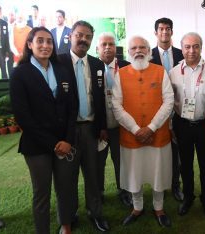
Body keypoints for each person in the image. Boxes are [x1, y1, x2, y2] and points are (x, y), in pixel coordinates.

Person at [9, 27, 78, 234]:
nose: (45, 45)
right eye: (40, 41)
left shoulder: (62, 70)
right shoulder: (20, 73)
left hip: (65, 142)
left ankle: (65, 227)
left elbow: (72, 106)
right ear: (30, 44)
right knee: (42, 194)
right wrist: (53, 144)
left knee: (65, 188)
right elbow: (23, 117)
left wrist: (67, 140)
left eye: (49, 41)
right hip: (37, 145)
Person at [112, 35, 174, 227]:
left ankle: (159, 207)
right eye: (133, 48)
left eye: (142, 47)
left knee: (158, 172)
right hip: (132, 136)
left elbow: (169, 101)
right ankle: (137, 207)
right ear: (128, 52)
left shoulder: (160, 71)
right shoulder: (120, 74)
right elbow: (116, 105)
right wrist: (136, 129)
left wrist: (152, 127)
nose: (138, 51)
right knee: (134, 173)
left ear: (149, 51)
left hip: (158, 135)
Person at [59, 20, 110, 232]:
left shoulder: (98, 65)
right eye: (80, 35)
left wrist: (103, 127)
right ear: (71, 36)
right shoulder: (57, 62)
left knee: (93, 175)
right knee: (66, 179)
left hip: (91, 129)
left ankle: (95, 213)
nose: (83, 39)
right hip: (66, 133)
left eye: (88, 37)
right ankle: (68, 219)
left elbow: (101, 100)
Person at [169, 32, 205, 221]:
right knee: (185, 165)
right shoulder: (173, 72)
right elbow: (169, 101)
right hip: (182, 125)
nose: (191, 50)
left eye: (195, 46)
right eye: (187, 47)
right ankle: (188, 198)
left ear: (201, 47)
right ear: (182, 48)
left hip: (204, 124)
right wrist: (171, 125)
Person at [96, 32, 132, 206]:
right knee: (98, 162)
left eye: (111, 44)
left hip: (121, 125)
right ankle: (99, 192)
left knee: (121, 160)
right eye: (104, 44)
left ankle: (123, 190)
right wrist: (100, 126)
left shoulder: (126, 66)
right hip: (99, 127)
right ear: (97, 48)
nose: (108, 47)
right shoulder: (91, 66)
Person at [150, 17, 184, 202]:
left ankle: (176, 185)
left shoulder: (182, 54)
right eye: (161, 29)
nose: (164, 32)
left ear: (172, 32)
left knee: (177, 152)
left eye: (168, 29)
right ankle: (159, 186)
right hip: (157, 113)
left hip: (179, 111)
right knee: (159, 152)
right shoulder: (148, 56)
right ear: (156, 33)